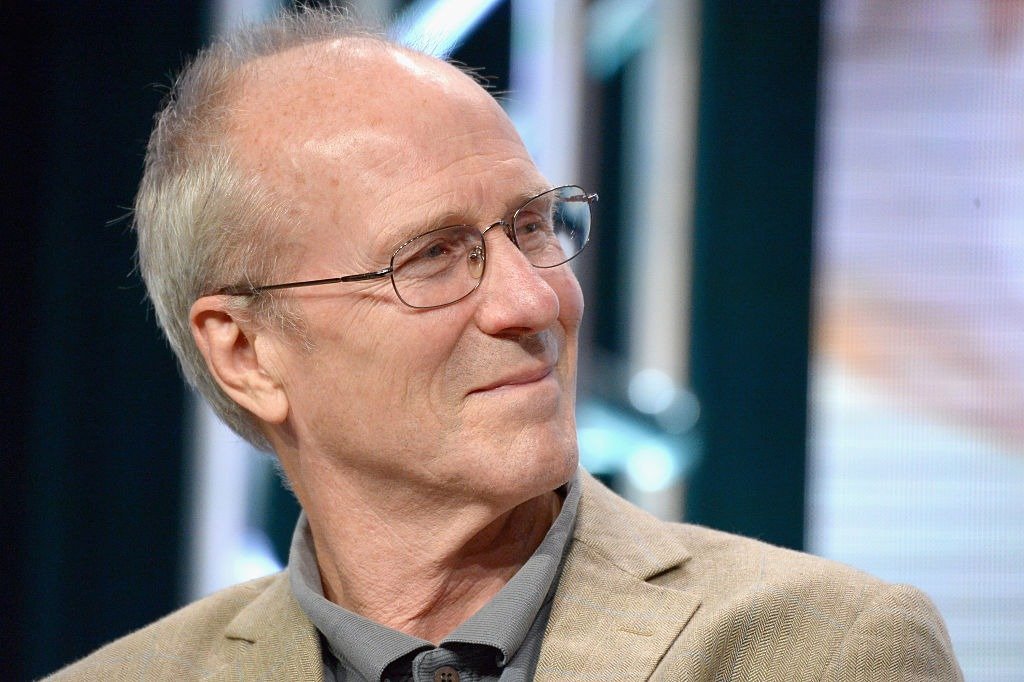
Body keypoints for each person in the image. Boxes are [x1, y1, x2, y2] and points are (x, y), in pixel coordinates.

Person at [48, 8, 962, 681]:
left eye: (532, 227)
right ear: (246, 352)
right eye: (433, 256)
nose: (534, 301)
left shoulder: (823, 652)